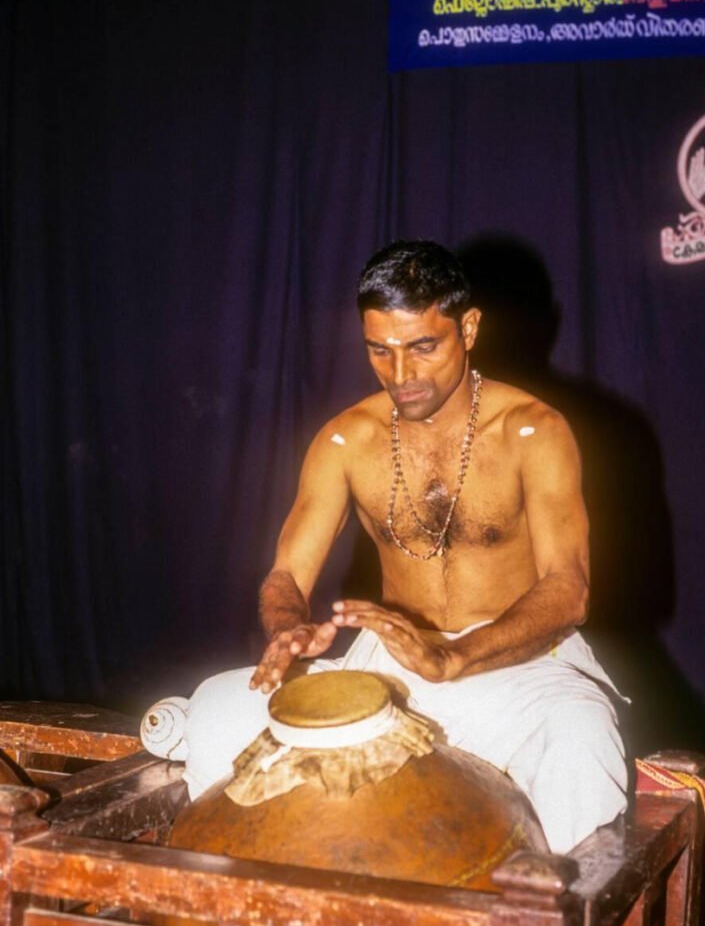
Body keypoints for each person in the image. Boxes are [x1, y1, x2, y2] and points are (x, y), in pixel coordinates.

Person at [183, 240, 627, 854]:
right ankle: (240, 901)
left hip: (520, 667)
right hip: (394, 666)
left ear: (468, 329)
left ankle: (546, 912)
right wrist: (287, 629)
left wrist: (456, 657)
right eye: (380, 351)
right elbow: (287, 574)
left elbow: (568, 591)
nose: (401, 375)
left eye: (422, 347)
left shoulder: (534, 431)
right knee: (215, 710)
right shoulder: (345, 439)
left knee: (580, 740)